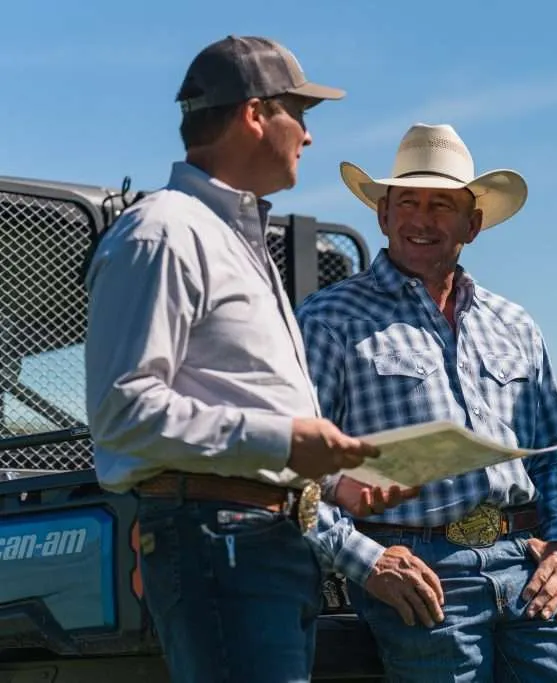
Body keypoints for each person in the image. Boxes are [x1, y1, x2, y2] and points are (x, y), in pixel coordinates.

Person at [84, 35, 408, 683]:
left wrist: (331, 483)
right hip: (219, 541)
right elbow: (123, 413)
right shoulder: (164, 231)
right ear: (255, 115)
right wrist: (284, 440)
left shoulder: (231, 237)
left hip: (258, 541)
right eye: (301, 115)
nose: (309, 138)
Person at [296, 123, 557, 682]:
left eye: (442, 205)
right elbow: (297, 468)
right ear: (383, 216)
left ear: (474, 223)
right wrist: (368, 565)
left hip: (525, 562)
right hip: (418, 571)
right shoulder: (328, 320)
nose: (422, 219)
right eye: (407, 202)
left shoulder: (515, 324)